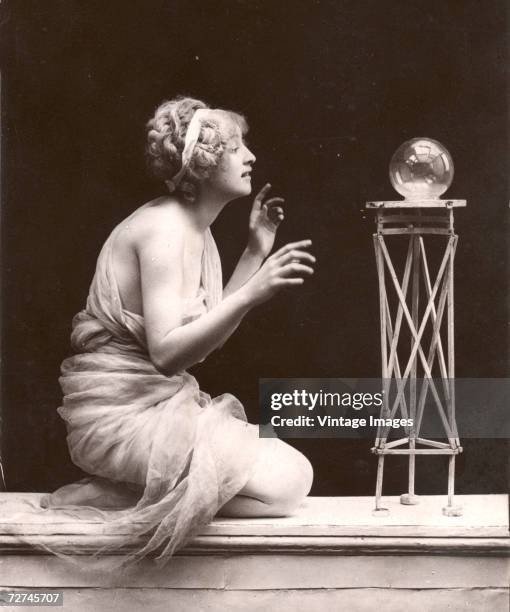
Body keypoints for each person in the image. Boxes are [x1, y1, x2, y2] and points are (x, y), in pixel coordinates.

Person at [40, 96, 315, 567]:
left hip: (156, 402)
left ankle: (131, 492)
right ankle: (121, 495)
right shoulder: (165, 230)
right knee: (287, 485)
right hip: (120, 414)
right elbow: (168, 355)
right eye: (236, 148)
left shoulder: (195, 228)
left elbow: (205, 343)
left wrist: (253, 254)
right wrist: (254, 292)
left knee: (292, 480)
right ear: (204, 163)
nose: (250, 156)